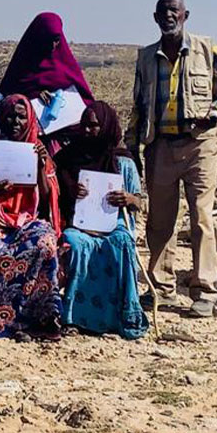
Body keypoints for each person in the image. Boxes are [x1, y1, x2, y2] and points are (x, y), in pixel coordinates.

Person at [125, 0, 217, 318]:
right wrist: (131, 146)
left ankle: (205, 291)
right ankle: (162, 288)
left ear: (186, 15)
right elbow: (139, 106)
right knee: (160, 221)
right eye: (163, 12)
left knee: (201, 218)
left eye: (174, 10)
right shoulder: (146, 57)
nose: (169, 16)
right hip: (159, 146)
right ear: (155, 18)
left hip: (199, 145)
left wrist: (214, 114)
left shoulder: (207, 48)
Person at [0, 94, 63, 341]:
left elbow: (46, 201)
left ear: (30, 119)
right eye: (9, 116)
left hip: (27, 221)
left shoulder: (38, 150)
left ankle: (39, 318)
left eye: (21, 117)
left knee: (45, 243)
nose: (15, 122)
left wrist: (39, 167)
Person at [57, 102, 149, 338]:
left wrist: (128, 198)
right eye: (84, 125)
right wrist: (71, 192)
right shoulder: (68, 158)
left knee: (122, 242)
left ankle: (119, 316)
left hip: (113, 223)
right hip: (78, 224)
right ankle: (74, 317)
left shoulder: (122, 161)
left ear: (106, 126)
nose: (87, 131)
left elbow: (140, 202)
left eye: (94, 126)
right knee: (74, 243)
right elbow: (54, 194)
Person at [0, 13, 93, 154]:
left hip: (65, 144)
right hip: (26, 145)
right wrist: (34, 95)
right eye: (47, 40)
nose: (52, 45)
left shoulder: (65, 64)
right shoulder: (23, 65)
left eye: (56, 40)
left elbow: (86, 103)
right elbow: (8, 99)